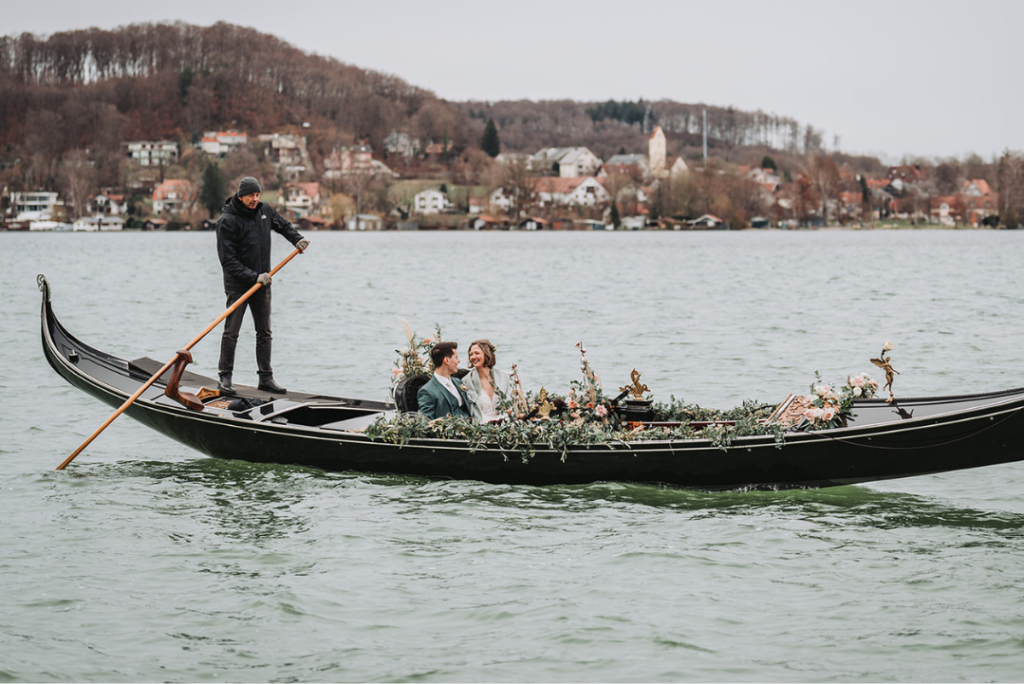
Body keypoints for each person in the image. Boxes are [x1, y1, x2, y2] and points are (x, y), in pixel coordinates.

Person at [216, 176, 309, 396]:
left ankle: (265, 378)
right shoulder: (227, 221)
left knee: (264, 332)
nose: (255, 199)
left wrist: (296, 239)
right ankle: (225, 377)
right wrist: (253, 276)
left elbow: (282, 225)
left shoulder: (264, 210)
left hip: (263, 282)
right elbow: (228, 261)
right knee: (232, 332)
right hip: (238, 284)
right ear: (241, 196)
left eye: (257, 195)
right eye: (251, 196)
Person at [417, 341, 471, 420]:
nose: (458, 361)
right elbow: (426, 422)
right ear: (447, 360)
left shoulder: (458, 382)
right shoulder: (427, 391)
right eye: (456, 357)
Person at [462, 339, 511, 423]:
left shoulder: (503, 376)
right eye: (471, 354)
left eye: (477, 353)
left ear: (487, 354)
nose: (473, 357)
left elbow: (510, 405)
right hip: (481, 427)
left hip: (505, 424)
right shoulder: (466, 381)